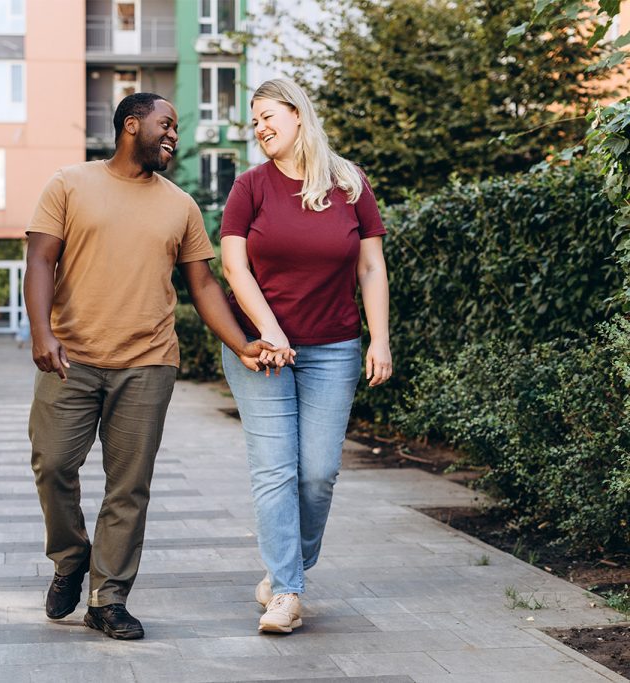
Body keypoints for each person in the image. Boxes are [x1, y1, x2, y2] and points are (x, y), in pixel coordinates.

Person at [25, 93, 275, 641]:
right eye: (166, 125)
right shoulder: (68, 183)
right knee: (53, 465)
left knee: (129, 485)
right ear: (130, 125)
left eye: (177, 129)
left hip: (148, 361)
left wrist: (241, 343)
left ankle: (107, 596)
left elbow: (203, 284)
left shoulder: (180, 205)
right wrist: (41, 331)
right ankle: (71, 557)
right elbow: (40, 259)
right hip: (71, 356)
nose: (174, 136)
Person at [219, 78, 392, 634]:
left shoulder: (350, 182)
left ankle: (286, 570)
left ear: (298, 114)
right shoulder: (250, 187)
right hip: (259, 351)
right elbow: (234, 267)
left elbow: (371, 267)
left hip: (334, 347)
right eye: (255, 122)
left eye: (268, 115)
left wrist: (379, 338)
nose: (261, 128)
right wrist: (268, 331)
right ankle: (288, 593)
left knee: (317, 473)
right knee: (276, 470)